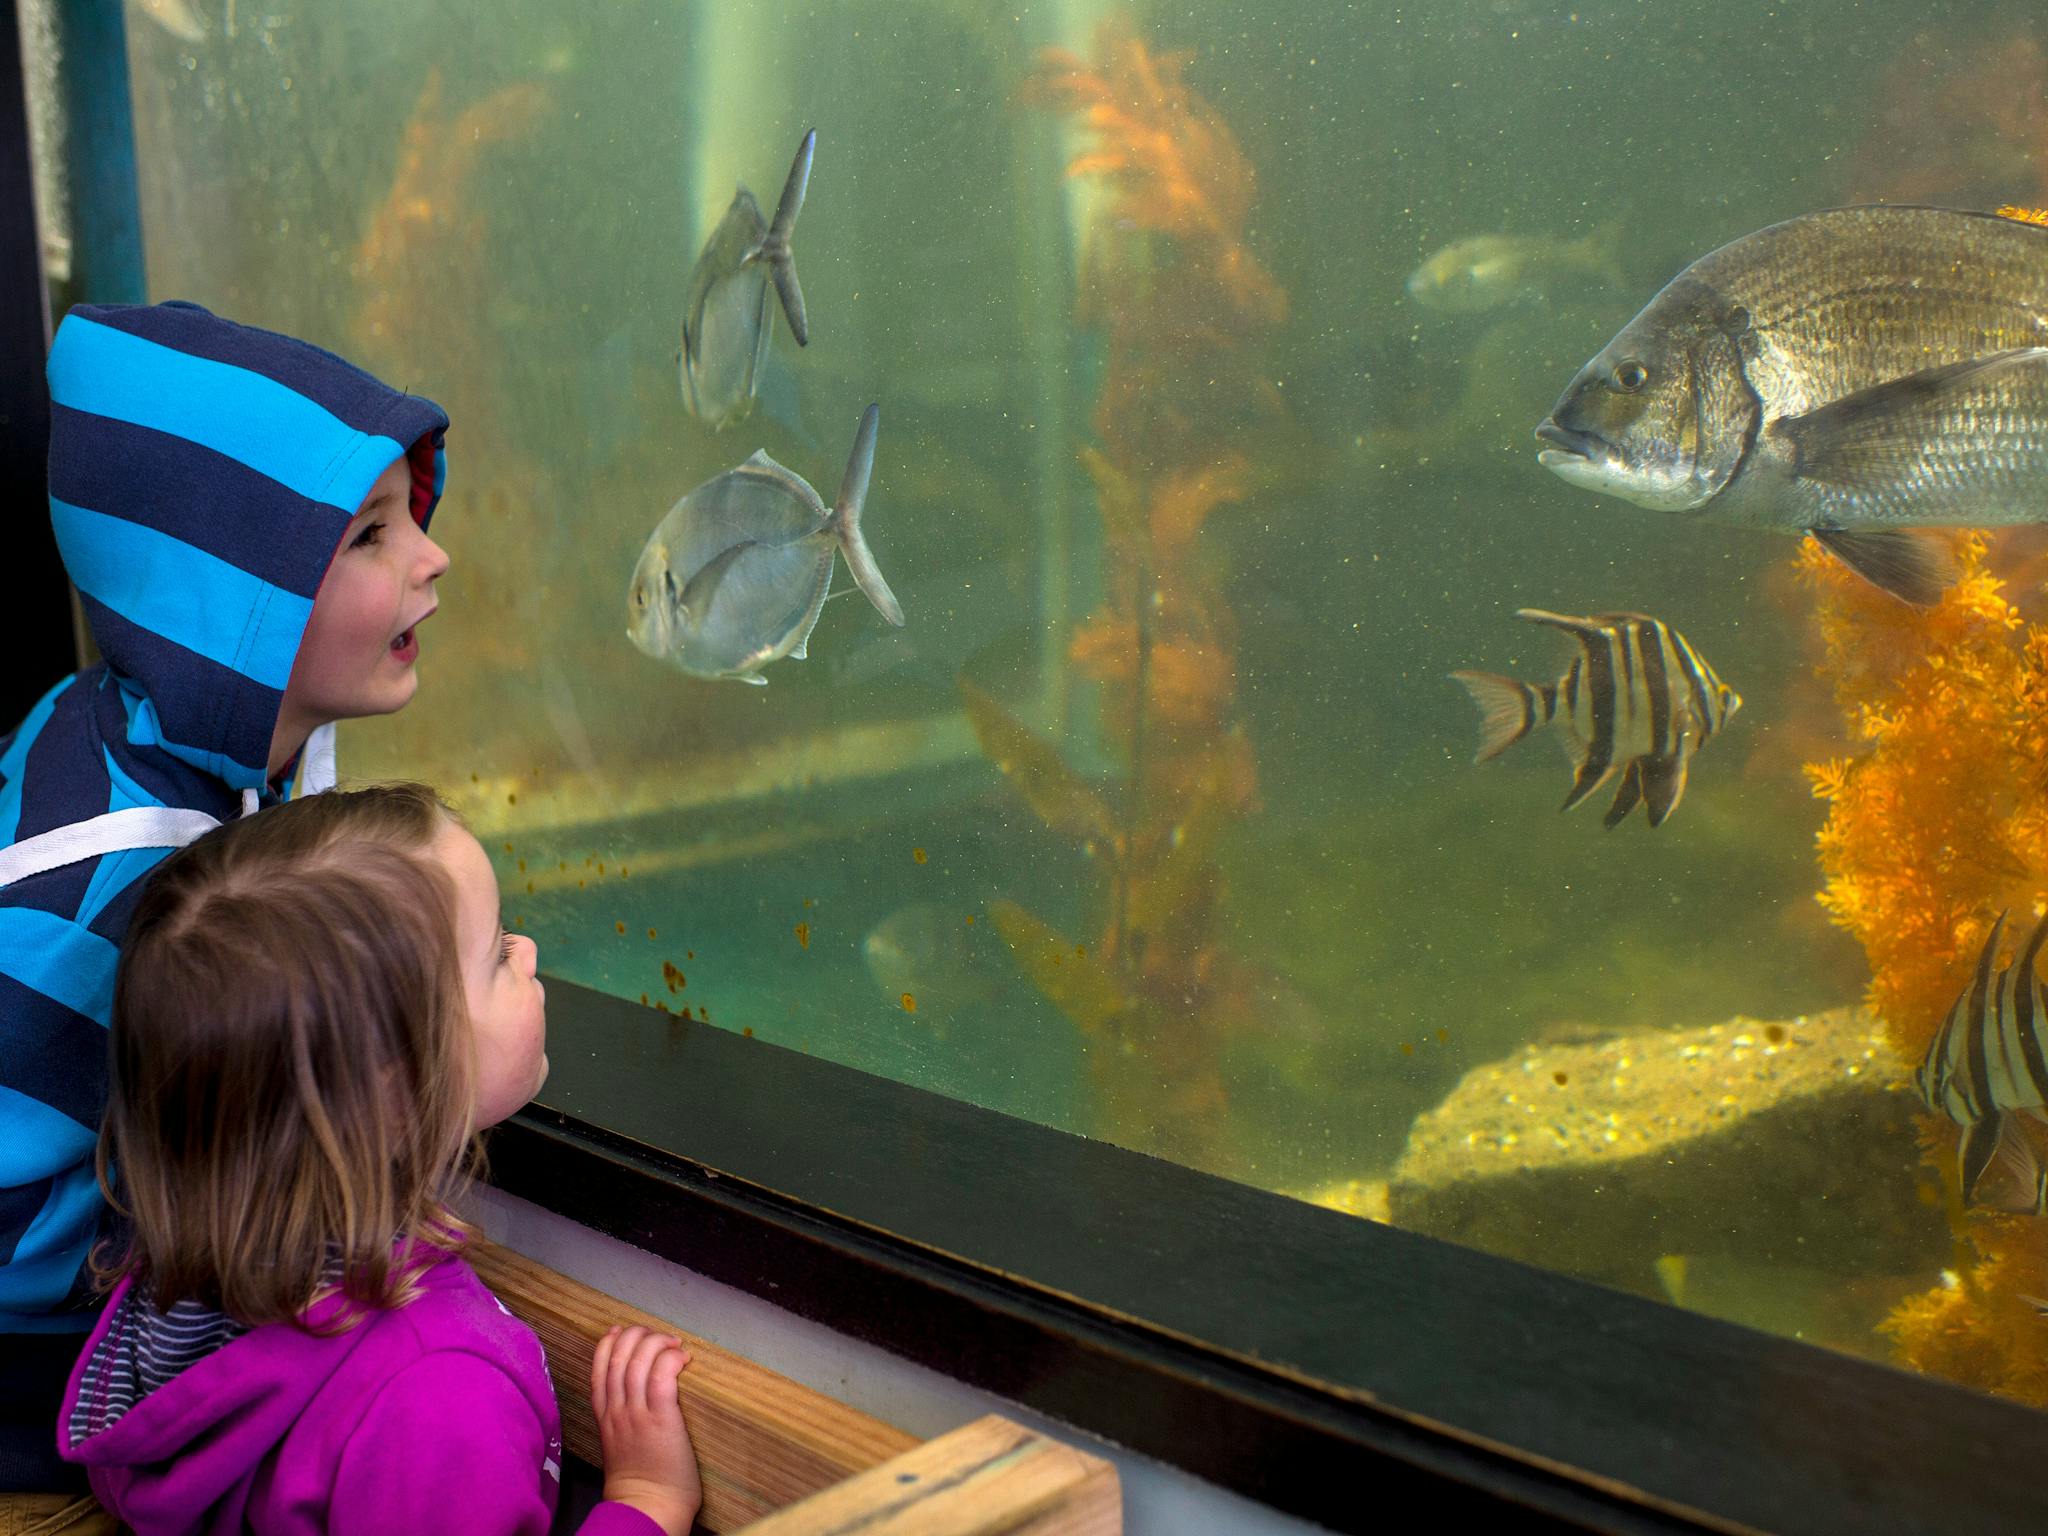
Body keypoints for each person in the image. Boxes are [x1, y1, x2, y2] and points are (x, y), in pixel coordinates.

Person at [0, 300, 451, 1509]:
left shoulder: (256, 748)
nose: (431, 556)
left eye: (413, 513)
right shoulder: (108, 874)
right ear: (223, 600)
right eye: (365, 536)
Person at [59, 783, 702, 1535]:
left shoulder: (175, 1298)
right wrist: (644, 1503)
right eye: (496, 952)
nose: (527, 951)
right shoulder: (439, 1400)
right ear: (398, 1095)